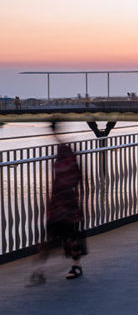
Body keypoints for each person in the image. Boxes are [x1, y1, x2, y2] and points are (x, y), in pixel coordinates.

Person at [27, 122, 87, 285]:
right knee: (59, 233)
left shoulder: (65, 152)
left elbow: (76, 177)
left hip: (65, 201)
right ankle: (42, 269)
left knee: (65, 234)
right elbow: (76, 177)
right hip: (61, 201)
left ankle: (71, 266)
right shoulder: (66, 152)